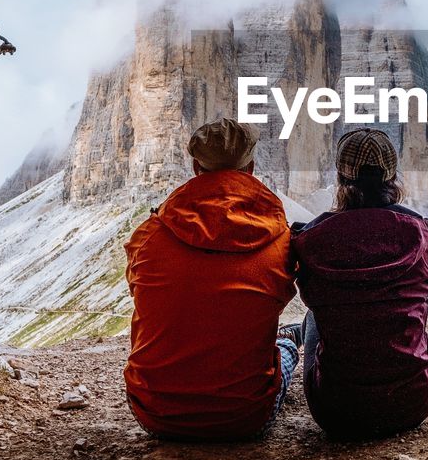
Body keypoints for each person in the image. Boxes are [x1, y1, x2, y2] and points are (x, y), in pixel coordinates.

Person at [124, 118, 299, 441]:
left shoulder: (149, 235)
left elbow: (138, 286)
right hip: (245, 416)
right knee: (288, 345)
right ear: (251, 167)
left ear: (194, 166)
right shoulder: (281, 240)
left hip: (154, 412)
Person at [291, 128, 428, 440]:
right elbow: (426, 286)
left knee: (312, 319)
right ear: (392, 175)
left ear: (341, 176)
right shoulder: (420, 233)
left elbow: (308, 292)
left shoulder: (312, 238)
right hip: (414, 401)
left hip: (337, 411)